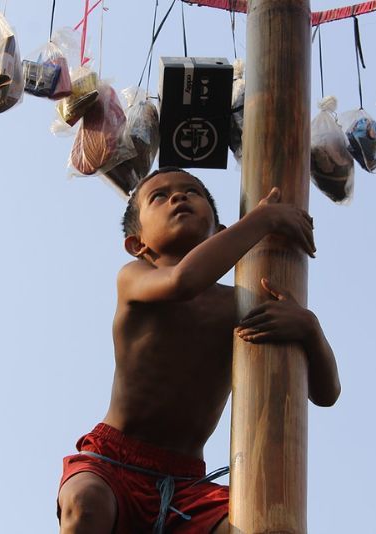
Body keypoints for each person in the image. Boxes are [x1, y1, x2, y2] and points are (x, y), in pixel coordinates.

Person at [57, 167, 341, 533]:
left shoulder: (241, 306)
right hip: (112, 464)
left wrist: (309, 329)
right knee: (85, 503)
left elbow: (326, 392)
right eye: (158, 197)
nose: (178, 197)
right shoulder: (134, 278)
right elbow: (183, 281)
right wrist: (263, 219)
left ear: (220, 234)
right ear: (137, 245)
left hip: (186, 486)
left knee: (258, 525)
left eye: (193, 192)